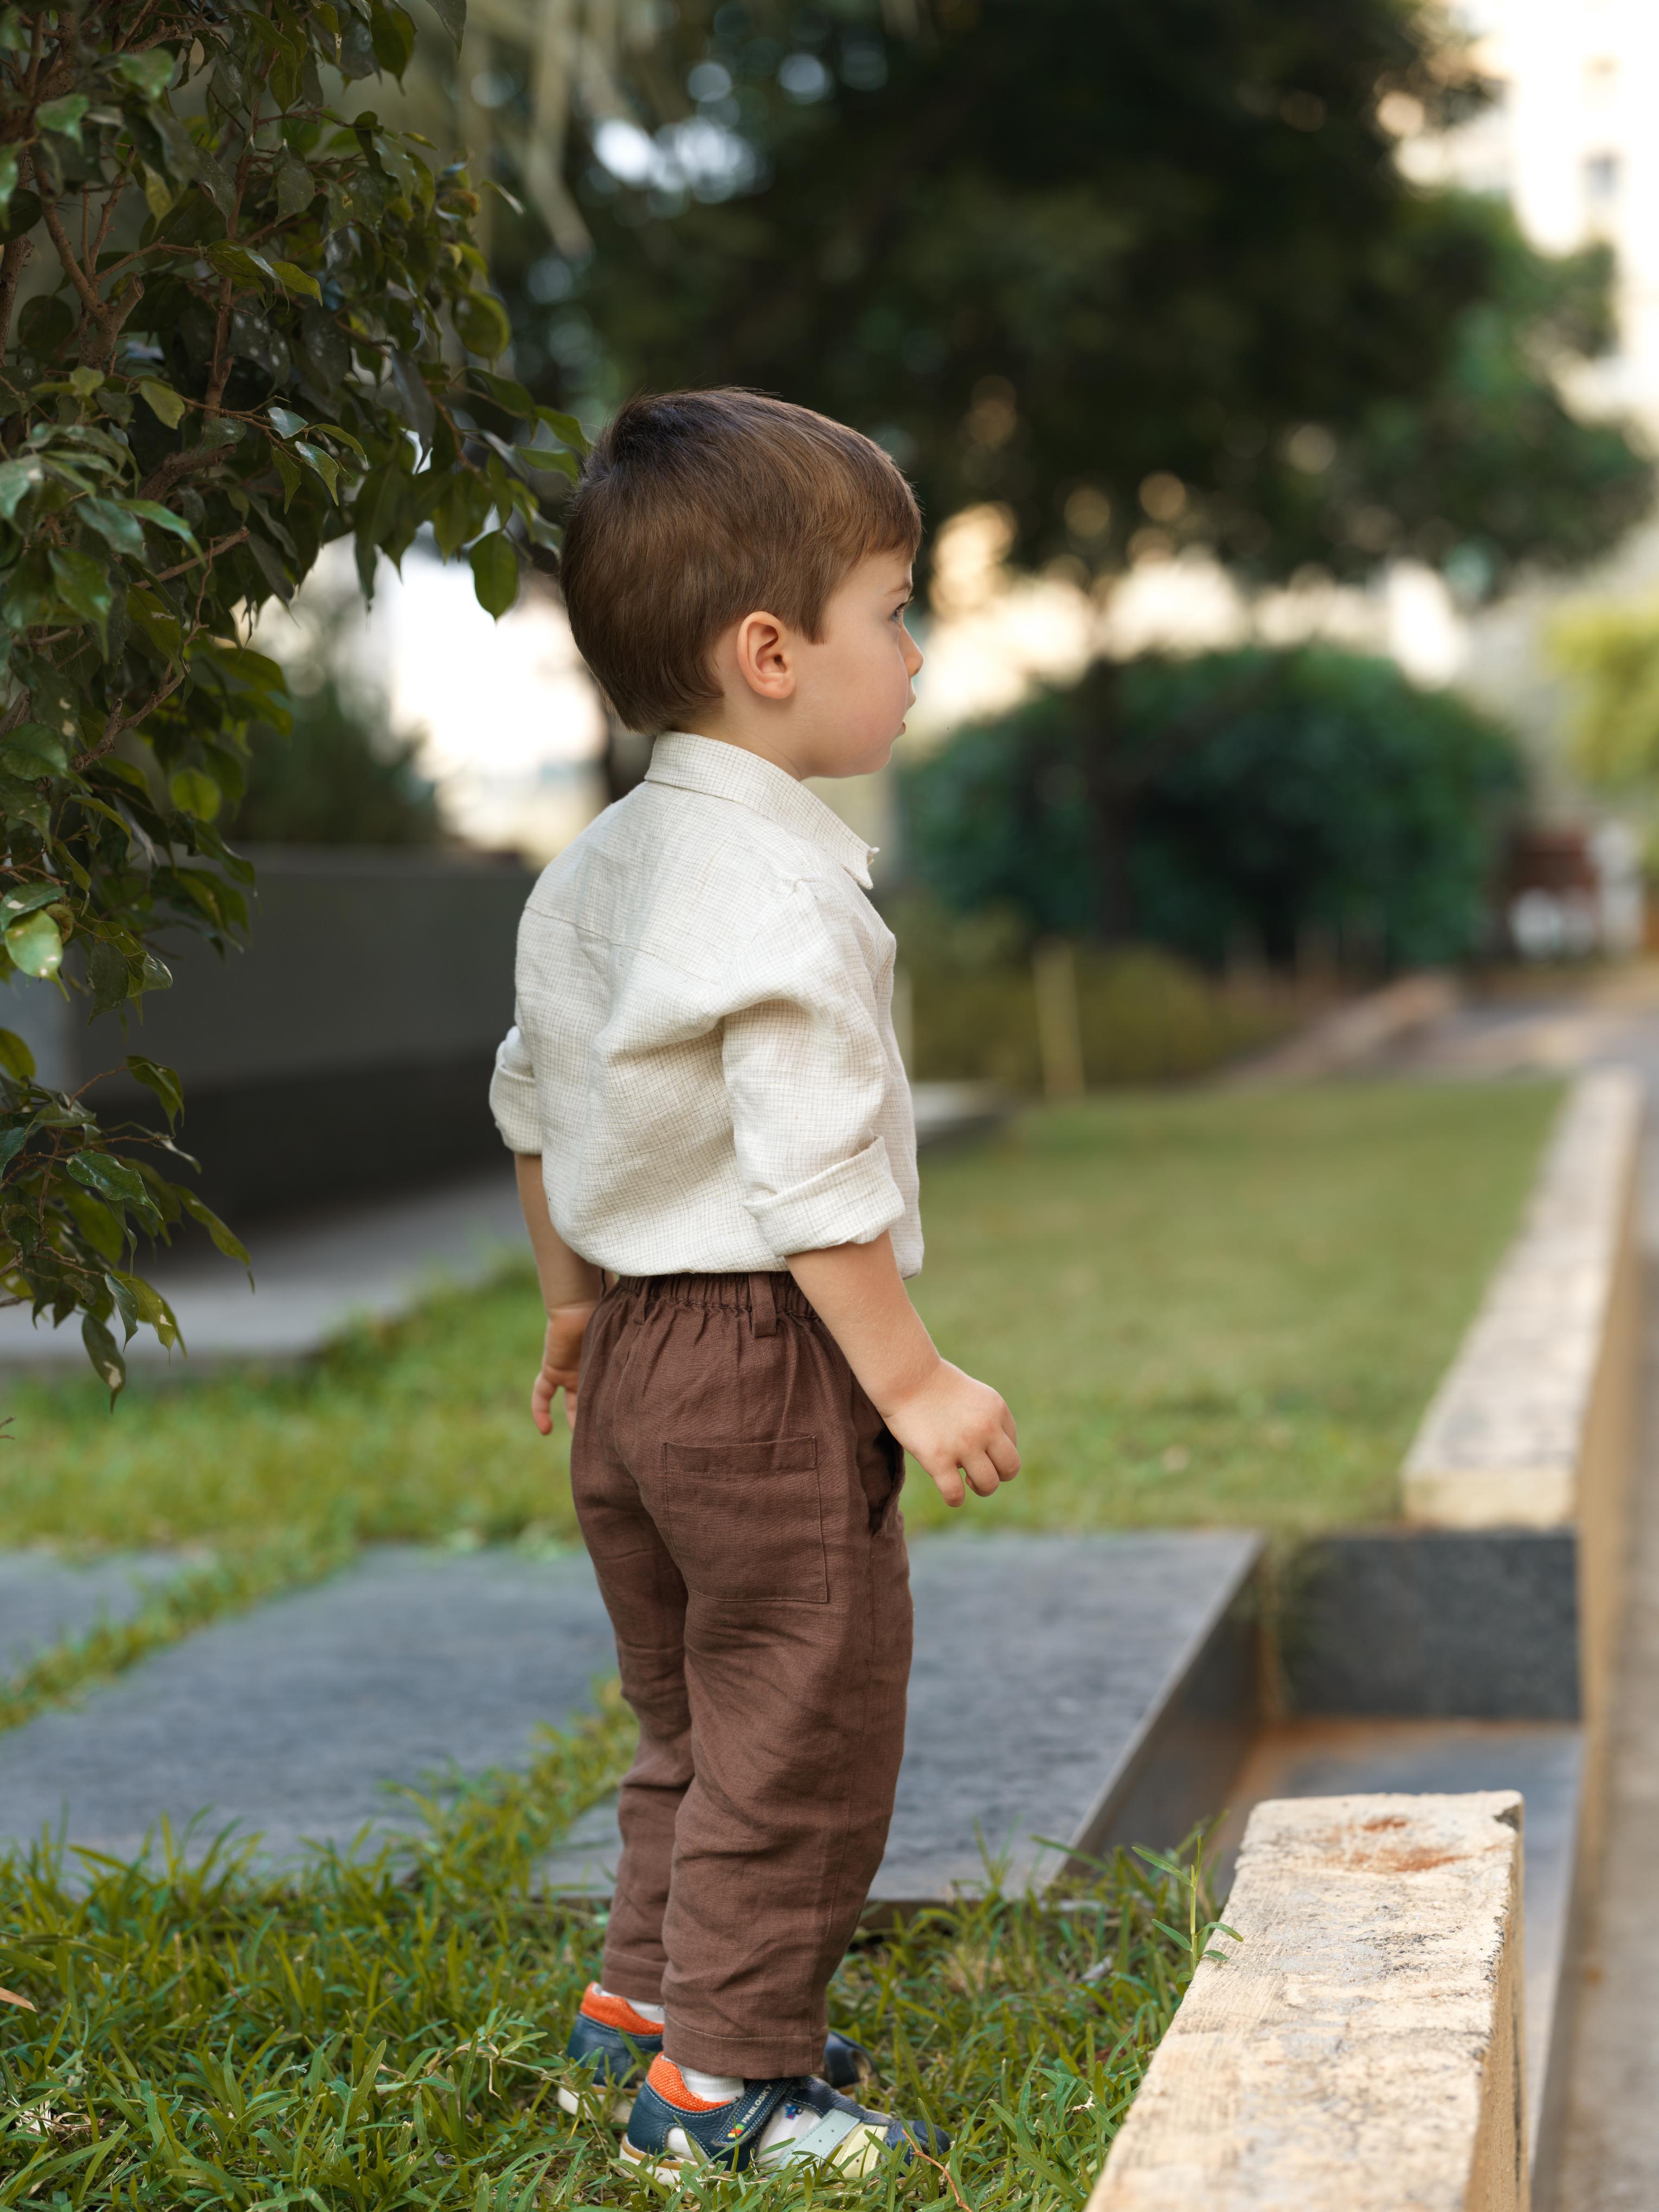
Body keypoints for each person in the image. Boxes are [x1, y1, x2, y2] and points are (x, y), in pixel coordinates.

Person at [490, 388, 1020, 2184]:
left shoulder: (592, 871)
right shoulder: (783, 891)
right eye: (893, 614)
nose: (916, 654)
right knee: (802, 1719)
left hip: (634, 1359)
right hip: (765, 1364)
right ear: (771, 653)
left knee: (691, 1716)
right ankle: (726, 2086)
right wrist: (912, 1381)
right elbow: (812, 1183)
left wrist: (573, 1308)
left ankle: (644, 2008)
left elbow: (531, 1109)